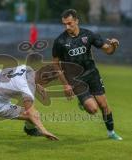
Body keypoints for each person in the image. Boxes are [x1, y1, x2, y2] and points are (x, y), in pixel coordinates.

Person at [52, 9, 122, 140]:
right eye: (64, 24)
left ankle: (111, 132)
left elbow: (108, 50)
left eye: (70, 23)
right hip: (76, 79)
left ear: (77, 21)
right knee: (93, 109)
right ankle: (84, 102)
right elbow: (55, 64)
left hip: (92, 74)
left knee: (103, 105)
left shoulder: (88, 35)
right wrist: (66, 85)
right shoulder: (60, 41)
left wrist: (113, 46)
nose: (67, 26)